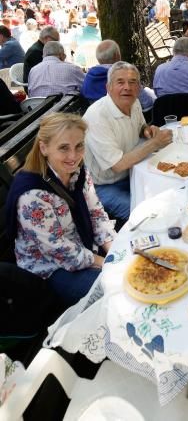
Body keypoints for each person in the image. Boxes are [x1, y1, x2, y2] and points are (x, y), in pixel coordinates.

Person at [5, 113, 115, 306]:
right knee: (114, 293)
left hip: (83, 249)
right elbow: (60, 251)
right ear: (44, 148)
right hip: (50, 269)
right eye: (64, 148)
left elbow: (96, 213)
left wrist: (113, 248)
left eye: (79, 146)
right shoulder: (32, 195)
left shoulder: (79, 172)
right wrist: (108, 263)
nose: (73, 156)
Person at [84, 62, 172, 221]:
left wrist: (147, 130)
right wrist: (154, 143)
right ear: (108, 87)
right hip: (102, 187)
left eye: (133, 82)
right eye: (120, 82)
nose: (127, 87)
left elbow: (140, 126)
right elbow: (118, 165)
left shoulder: (134, 102)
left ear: (139, 87)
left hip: (133, 172)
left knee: (171, 194)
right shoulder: (97, 117)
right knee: (150, 216)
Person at [81, 39, 154, 111]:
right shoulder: (125, 75)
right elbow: (147, 103)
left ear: (98, 58)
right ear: (117, 55)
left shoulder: (88, 77)